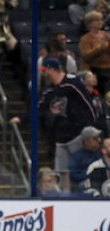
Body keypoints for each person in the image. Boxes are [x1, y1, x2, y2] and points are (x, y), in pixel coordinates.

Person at [38, 57, 101, 192]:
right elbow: (38, 108)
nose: (43, 74)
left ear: (52, 70)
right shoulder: (49, 90)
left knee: (81, 168)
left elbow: (88, 104)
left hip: (77, 135)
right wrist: (21, 118)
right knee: (61, 174)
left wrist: (90, 127)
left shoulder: (72, 83)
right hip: (60, 138)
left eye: (45, 70)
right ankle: (63, 200)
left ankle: (88, 194)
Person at [69, 126, 104, 192]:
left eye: (99, 138)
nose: (99, 140)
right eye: (95, 138)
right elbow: (72, 174)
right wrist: (89, 175)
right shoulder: (77, 156)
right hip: (85, 184)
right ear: (86, 141)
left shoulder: (102, 154)